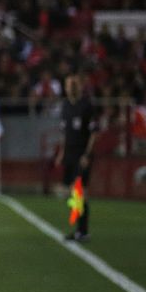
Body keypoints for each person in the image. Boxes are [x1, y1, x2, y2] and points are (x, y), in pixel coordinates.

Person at [53, 76, 98, 242]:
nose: (71, 88)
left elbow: (94, 132)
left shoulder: (87, 105)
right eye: (68, 85)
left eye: (74, 84)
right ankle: (80, 230)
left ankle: (83, 231)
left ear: (80, 87)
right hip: (69, 155)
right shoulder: (65, 106)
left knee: (80, 191)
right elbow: (65, 133)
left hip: (81, 155)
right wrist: (61, 153)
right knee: (73, 193)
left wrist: (87, 154)